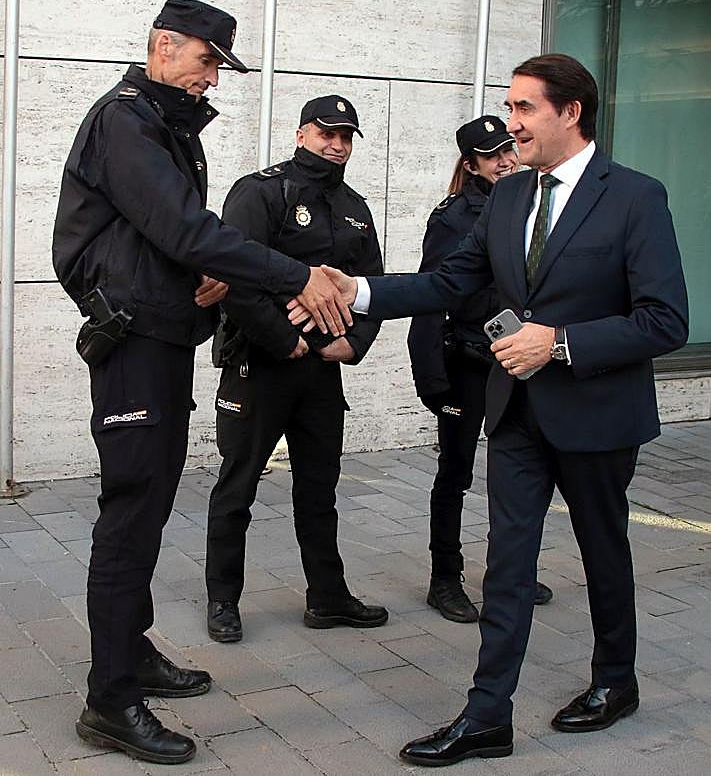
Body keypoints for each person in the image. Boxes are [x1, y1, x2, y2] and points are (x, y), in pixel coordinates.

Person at [298, 54, 689, 765]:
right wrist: (359, 290)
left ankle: (616, 681)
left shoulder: (635, 196)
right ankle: (486, 716)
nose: (512, 125)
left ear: (570, 112)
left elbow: (664, 321)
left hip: (598, 415)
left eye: (523, 108)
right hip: (516, 413)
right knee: (507, 563)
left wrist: (559, 343)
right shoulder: (507, 198)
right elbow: (449, 281)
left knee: (603, 551)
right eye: (509, 108)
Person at [52, 0, 351, 766]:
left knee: (149, 507)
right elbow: (183, 228)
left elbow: (163, 238)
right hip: (133, 345)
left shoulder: (160, 125)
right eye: (207, 60)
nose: (212, 78)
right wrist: (295, 274)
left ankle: (130, 650)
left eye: (218, 65)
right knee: (130, 513)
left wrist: (199, 279)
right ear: (163, 45)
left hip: (159, 336)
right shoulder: (126, 121)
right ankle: (109, 700)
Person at [205, 95, 388, 643]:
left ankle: (327, 597)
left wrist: (354, 343)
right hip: (259, 365)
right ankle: (222, 600)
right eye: (327, 133)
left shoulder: (354, 206)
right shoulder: (262, 192)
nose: (337, 145)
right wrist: (285, 341)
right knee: (237, 487)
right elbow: (233, 277)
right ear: (301, 133)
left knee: (319, 490)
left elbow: (372, 285)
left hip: (320, 373)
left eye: (346, 136)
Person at [407, 115, 552, 624]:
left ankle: (510, 572)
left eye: (509, 150)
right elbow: (430, 294)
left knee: (520, 472)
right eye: (492, 156)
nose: (506, 161)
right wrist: (432, 377)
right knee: (456, 471)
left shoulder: (530, 203)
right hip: (467, 363)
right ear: (471, 165)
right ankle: (444, 579)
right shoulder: (453, 218)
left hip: (515, 360)